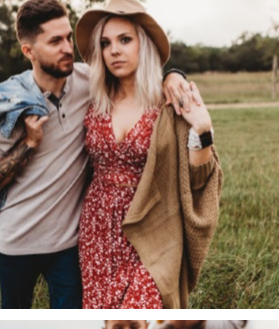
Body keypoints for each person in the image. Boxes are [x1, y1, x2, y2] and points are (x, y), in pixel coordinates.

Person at [0, 0, 191, 309]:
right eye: (55, 41)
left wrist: (173, 75)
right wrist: (27, 145)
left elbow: (135, 75)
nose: (68, 48)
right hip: (18, 243)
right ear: (29, 51)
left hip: (69, 245)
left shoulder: (89, 83)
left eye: (68, 37)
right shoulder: (4, 104)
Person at [75, 0, 223, 308]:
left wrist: (202, 129)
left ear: (146, 44)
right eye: (106, 43)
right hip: (97, 229)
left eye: (125, 40)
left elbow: (198, 179)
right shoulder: (93, 98)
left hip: (151, 226)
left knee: (145, 300)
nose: (114, 50)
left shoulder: (168, 101)